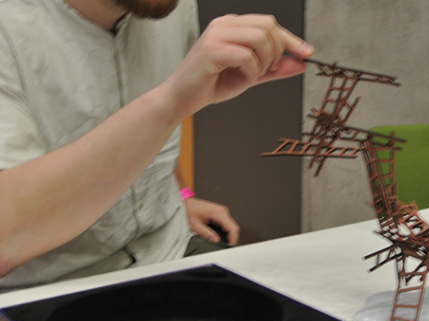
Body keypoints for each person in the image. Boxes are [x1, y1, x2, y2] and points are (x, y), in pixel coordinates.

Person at [0, 0, 314, 291]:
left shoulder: (167, 6)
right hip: (51, 287)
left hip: (166, 250)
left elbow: (151, 126)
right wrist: (170, 102)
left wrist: (180, 194)